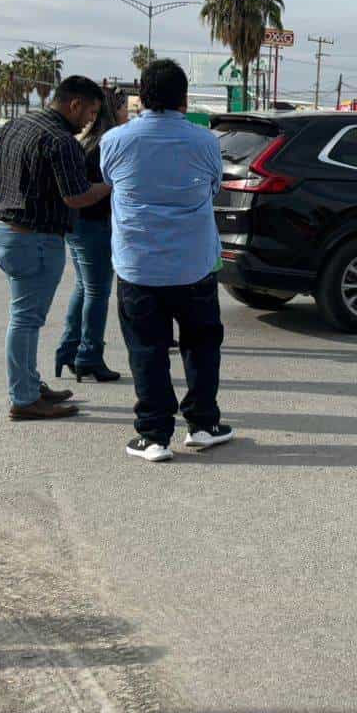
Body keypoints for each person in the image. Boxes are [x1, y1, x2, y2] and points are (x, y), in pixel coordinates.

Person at [101, 59, 232, 463]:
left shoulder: (116, 140)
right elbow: (214, 186)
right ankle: (204, 425)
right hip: (194, 264)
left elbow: (110, 181)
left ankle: (154, 435)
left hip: (138, 266)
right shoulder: (205, 141)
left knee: (146, 349)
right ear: (184, 98)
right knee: (202, 345)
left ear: (142, 96)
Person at [0, 75, 112, 420]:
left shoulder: (18, 123)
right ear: (75, 104)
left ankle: (31, 384)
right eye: (90, 113)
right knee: (25, 320)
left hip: (7, 232)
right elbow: (76, 196)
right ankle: (23, 399)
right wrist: (108, 186)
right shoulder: (61, 140)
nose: (90, 121)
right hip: (34, 239)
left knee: (26, 318)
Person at [54, 88, 128, 382]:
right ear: (114, 111)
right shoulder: (107, 143)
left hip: (78, 224)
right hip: (94, 223)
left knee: (84, 288)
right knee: (97, 291)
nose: (128, 114)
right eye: (124, 108)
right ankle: (89, 355)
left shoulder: (86, 139)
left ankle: (69, 351)